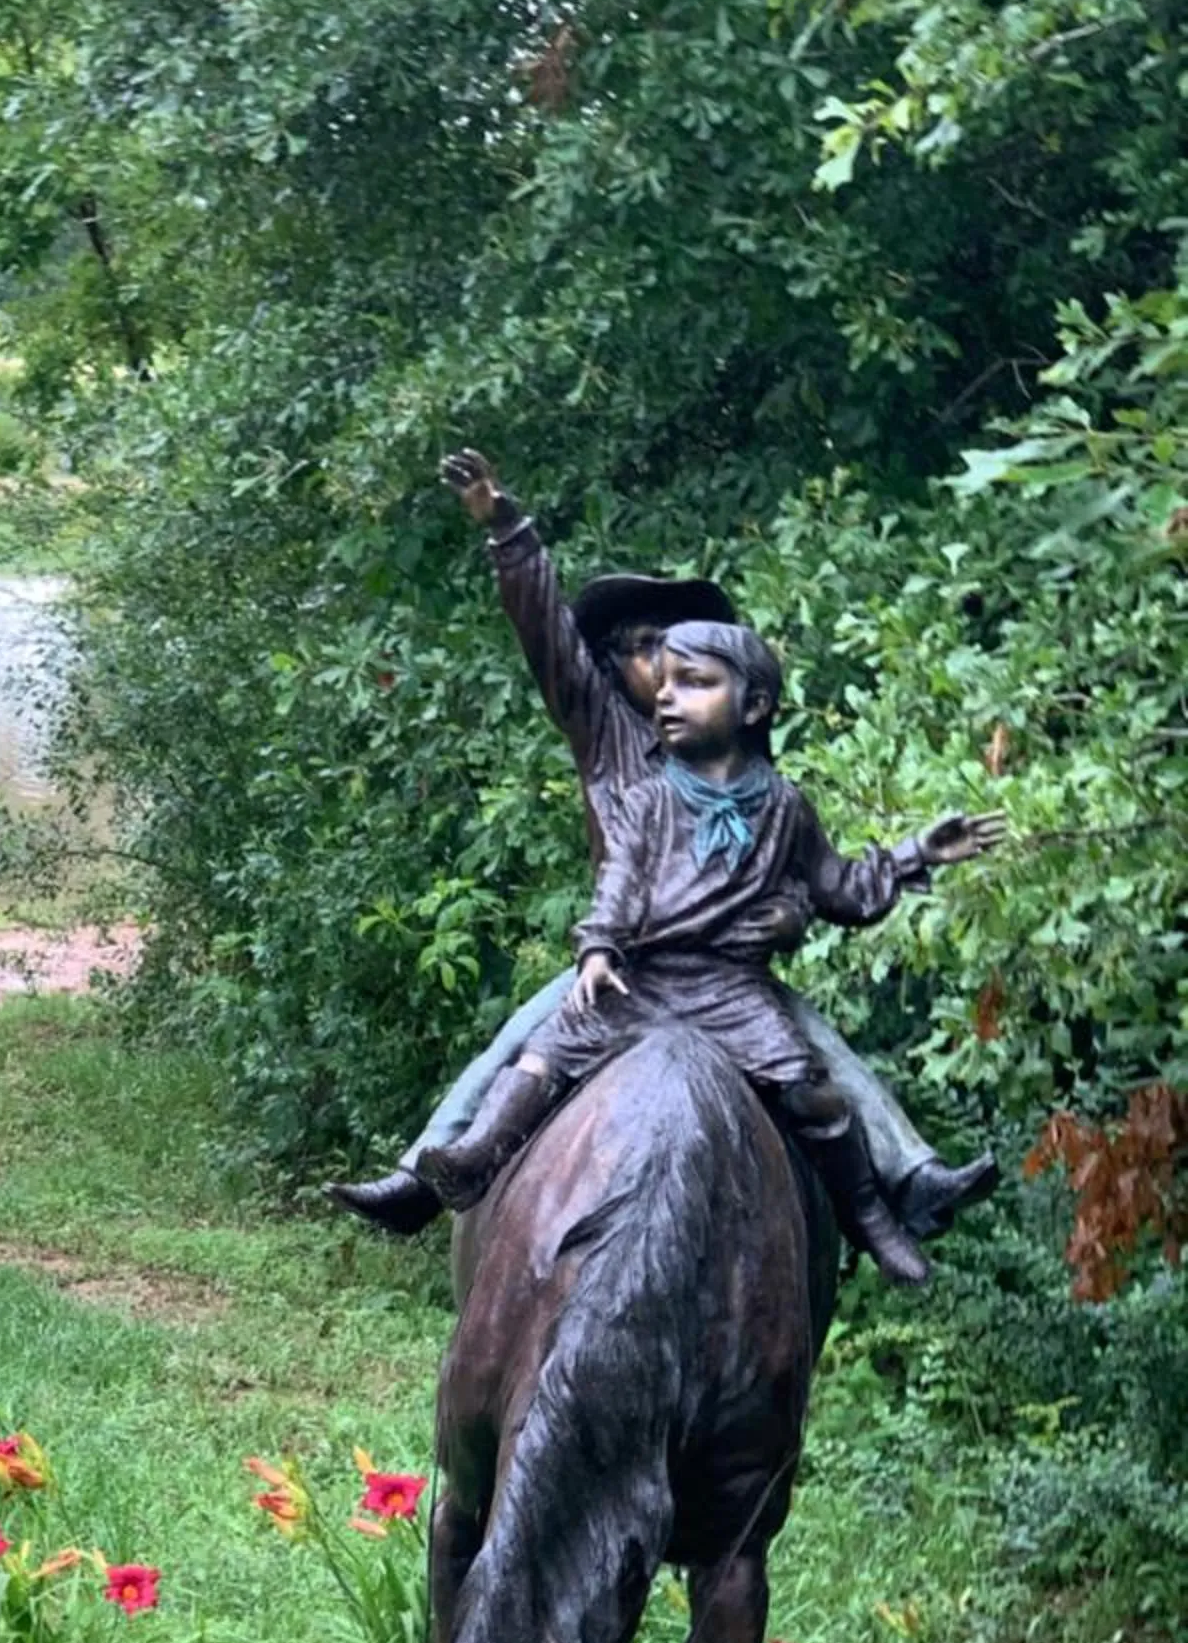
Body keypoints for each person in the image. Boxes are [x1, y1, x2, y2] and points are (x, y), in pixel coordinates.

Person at [329, 452, 999, 1240]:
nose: (663, 664)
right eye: (647, 647)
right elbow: (545, 631)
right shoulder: (604, 731)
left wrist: (794, 913)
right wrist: (509, 532)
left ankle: (906, 1179)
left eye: (680, 651)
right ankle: (424, 1172)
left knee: (820, 1048)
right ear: (615, 663)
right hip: (628, 962)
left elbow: (795, 868)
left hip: (727, 975)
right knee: (520, 1042)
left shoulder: (741, 757)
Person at [410, 621, 1006, 1284]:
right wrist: (599, 949)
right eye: (663, 683)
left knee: (812, 1091)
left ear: (752, 706)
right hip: (641, 981)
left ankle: (868, 1213)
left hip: (731, 988)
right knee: (542, 1055)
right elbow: (618, 882)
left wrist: (914, 853)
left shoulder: (784, 806)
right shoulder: (647, 800)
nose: (666, 697)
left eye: (694, 683)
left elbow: (840, 889)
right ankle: (475, 1155)